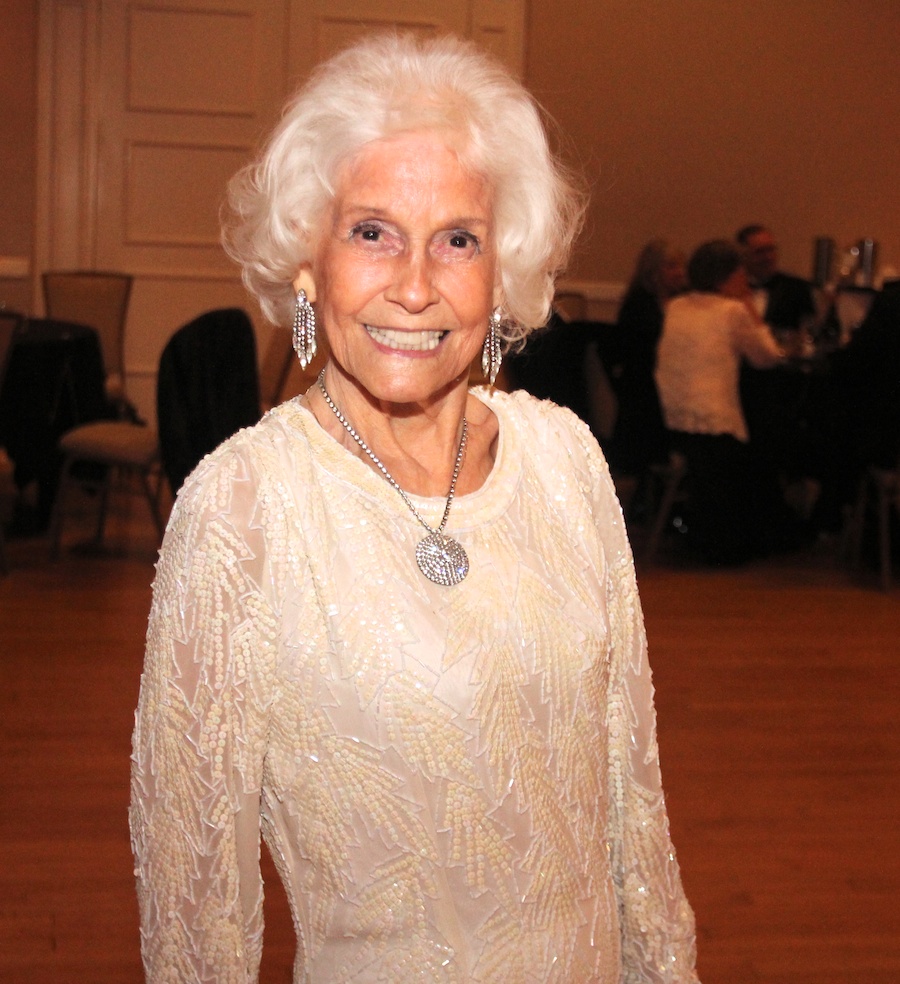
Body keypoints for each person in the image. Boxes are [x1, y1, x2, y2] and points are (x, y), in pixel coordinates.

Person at [130, 33, 700, 983]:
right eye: (371, 230)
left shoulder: (565, 460)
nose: (415, 284)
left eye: (458, 240)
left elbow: (631, 797)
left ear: (501, 273)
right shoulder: (241, 511)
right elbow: (197, 909)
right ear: (307, 259)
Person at [655, 239, 793, 564]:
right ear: (727, 276)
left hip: (674, 419)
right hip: (715, 423)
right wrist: (749, 307)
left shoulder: (677, 305)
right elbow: (767, 357)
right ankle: (750, 541)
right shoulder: (731, 311)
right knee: (765, 450)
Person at [608, 239, 687, 476]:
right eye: (671, 266)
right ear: (653, 270)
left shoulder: (685, 302)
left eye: (681, 266)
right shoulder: (638, 306)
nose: (679, 273)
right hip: (645, 386)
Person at [735, 224, 815, 332]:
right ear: (743, 256)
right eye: (760, 252)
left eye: (771, 250)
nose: (769, 257)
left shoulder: (796, 288)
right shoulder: (730, 290)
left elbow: (809, 329)